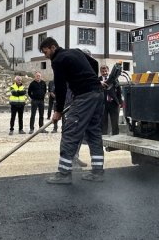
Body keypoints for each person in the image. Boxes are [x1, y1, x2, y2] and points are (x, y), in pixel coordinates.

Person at [39, 37, 104, 184]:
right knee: (93, 131)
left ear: (53, 47)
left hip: (85, 96)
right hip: (98, 93)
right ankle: (98, 172)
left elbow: (60, 87)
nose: (45, 56)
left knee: (69, 131)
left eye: (45, 52)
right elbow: (94, 63)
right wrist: (92, 80)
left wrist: (58, 110)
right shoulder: (75, 51)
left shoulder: (58, 60)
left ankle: (64, 174)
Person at [100, 65, 123, 136]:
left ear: (108, 71)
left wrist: (120, 102)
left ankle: (116, 136)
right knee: (103, 121)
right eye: (103, 72)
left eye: (106, 71)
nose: (104, 73)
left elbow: (119, 91)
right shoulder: (98, 80)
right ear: (100, 72)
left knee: (115, 122)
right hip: (103, 104)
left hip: (113, 103)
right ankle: (104, 137)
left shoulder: (114, 79)